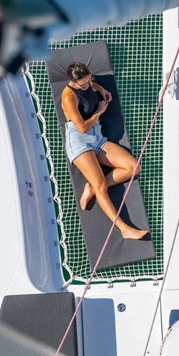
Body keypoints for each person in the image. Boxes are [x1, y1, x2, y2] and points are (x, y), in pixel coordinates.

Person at [60, 62, 148, 240]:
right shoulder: (69, 97)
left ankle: (91, 187)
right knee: (102, 186)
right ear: (73, 82)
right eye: (83, 84)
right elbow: (82, 128)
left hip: (97, 135)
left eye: (89, 80)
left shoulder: (88, 82)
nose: (87, 85)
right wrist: (99, 112)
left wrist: (100, 89)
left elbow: (91, 85)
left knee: (133, 167)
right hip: (79, 141)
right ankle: (124, 229)